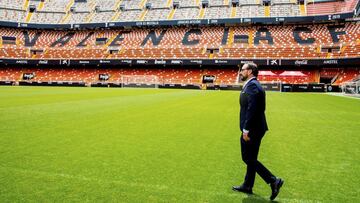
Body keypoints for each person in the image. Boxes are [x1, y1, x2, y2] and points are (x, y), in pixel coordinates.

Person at [232, 63, 284, 201]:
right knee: (251, 158)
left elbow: (252, 108)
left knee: (247, 158)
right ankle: (248, 185)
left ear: (250, 71)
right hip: (255, 128)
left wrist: (246, 129)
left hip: (252, 129)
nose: (240, 72)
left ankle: (273, 180)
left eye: (242, 70)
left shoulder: (253, 85)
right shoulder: (252, 84)